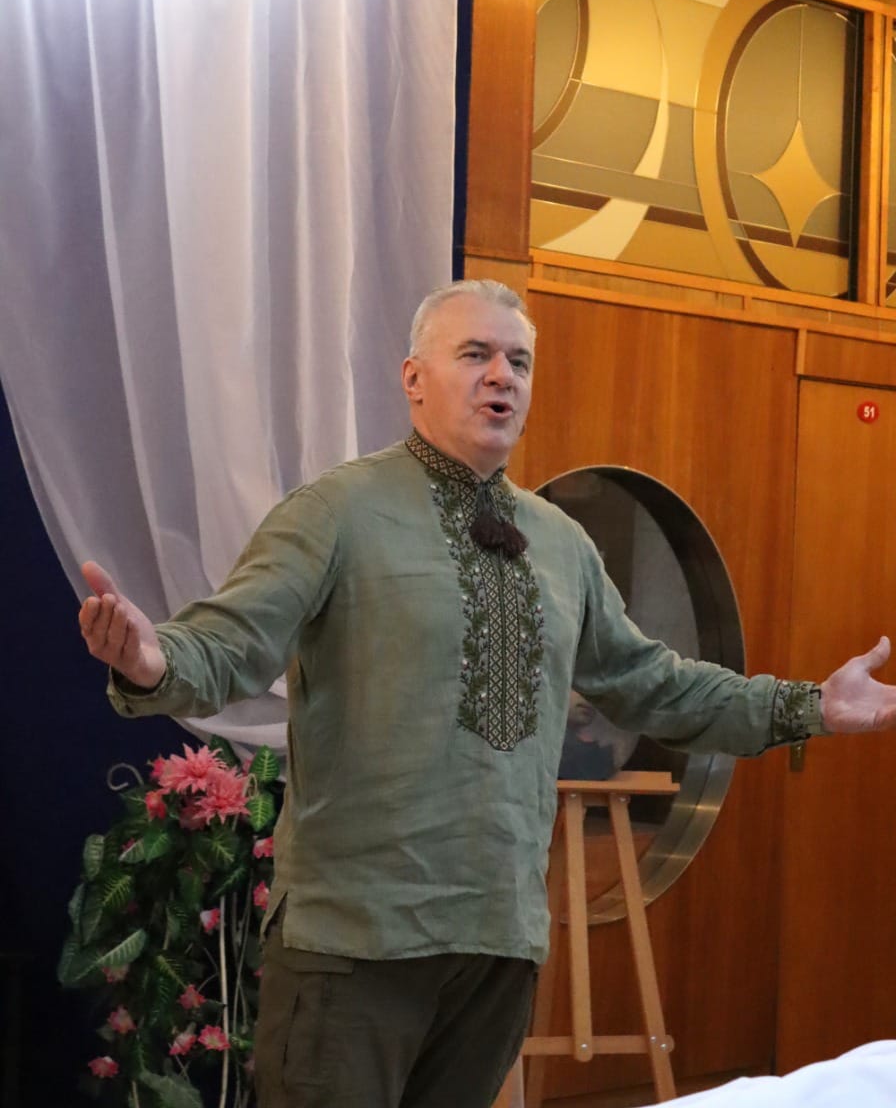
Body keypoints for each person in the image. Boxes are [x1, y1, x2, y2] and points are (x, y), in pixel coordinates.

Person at [79, 279, 896, 1108]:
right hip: (355, 944)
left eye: (519, 361)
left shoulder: (561, 544)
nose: (502, 376)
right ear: (413, 378)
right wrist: (151, 658)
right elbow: (231, 643)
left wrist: (809, 706)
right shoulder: (337, 511)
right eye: (475, 354)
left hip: (498, 945)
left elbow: (654, 685)